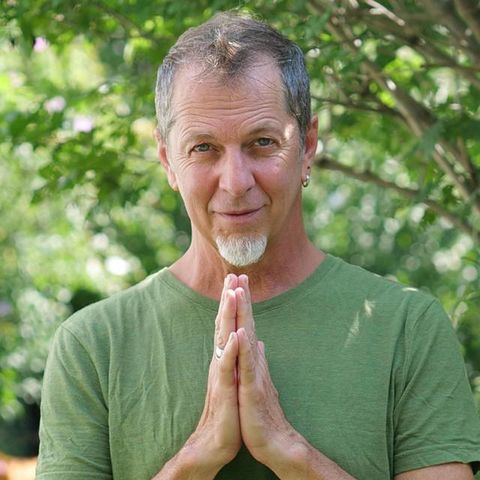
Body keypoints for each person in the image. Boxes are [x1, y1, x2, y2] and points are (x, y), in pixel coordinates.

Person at [36, 11, 480, 480]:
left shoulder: (407, 328)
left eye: (262, 142)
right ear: (167, 160)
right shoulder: (93, 347)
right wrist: (199, 454)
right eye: (203, 148)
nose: (236, 182)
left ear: (307, 147)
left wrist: (288, 450)